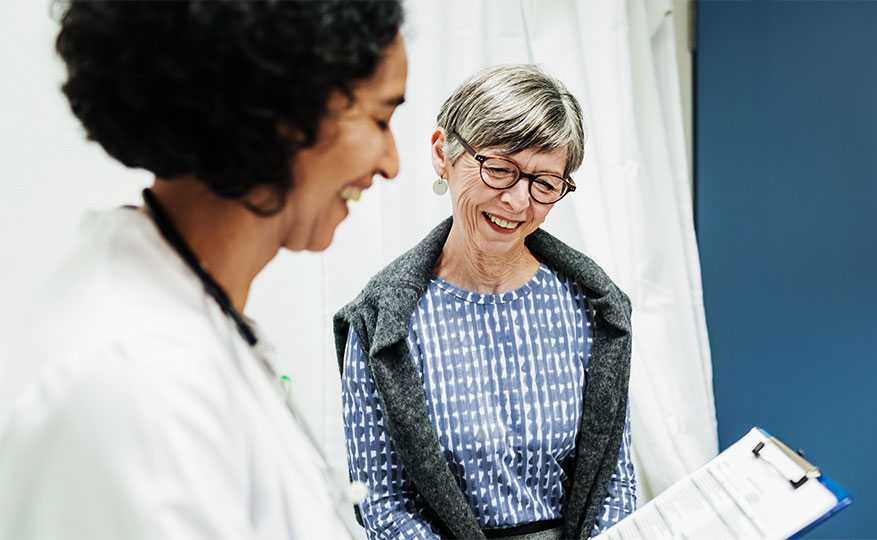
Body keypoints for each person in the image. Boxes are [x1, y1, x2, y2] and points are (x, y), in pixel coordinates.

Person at [0, 1, 406, 538]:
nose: (391, 162)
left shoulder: (192, 319)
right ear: (284, 114)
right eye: (380, 118)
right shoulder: (133, 379)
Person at [337, 65, 636, 540]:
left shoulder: (594, 309)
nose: (518, 202)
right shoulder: (380, 322)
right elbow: (383, 503)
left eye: (544, 183)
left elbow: (613, 479)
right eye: (499, 169)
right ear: (443, 154)